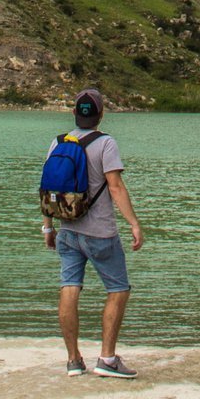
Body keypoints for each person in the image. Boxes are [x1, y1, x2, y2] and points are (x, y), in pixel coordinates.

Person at [42, 88, 144, 378]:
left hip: (67, 230)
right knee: (118, 289)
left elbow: (49, 189)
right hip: (100, 233)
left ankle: (74, 360)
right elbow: (115, 187)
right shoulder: (106, 143)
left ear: (74, 113)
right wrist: (134, 223)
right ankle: (107, 359)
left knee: (69, 287)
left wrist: (47, 227)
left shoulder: (58, 142)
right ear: (101, 114)